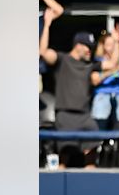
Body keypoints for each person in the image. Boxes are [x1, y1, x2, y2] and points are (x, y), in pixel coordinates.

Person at [40, 17, 101, 167]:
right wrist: (47, 24)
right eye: (87, 46)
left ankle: (90, 183)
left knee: (92, 151)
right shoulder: (62, 59)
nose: (89, 51)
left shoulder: (90, 65)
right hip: (65, 115)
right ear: (78, 45)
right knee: (64, 159)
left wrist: (116, 41)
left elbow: (113, 64)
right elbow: (43, 52)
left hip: (85, 116)